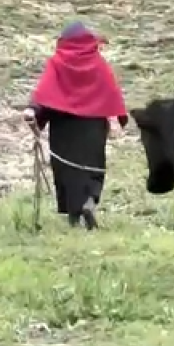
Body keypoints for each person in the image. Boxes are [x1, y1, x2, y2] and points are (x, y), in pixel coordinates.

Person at [23, 21, 128, 230]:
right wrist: (116, 119)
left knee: (67, 171)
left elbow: (45, 93)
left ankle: (74, 217)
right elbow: (111, 91)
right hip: (92, 128)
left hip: (64, 129)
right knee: (92, 168)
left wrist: (33, 111)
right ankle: (90, 202)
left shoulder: (57, 62)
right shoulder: (98, 64)